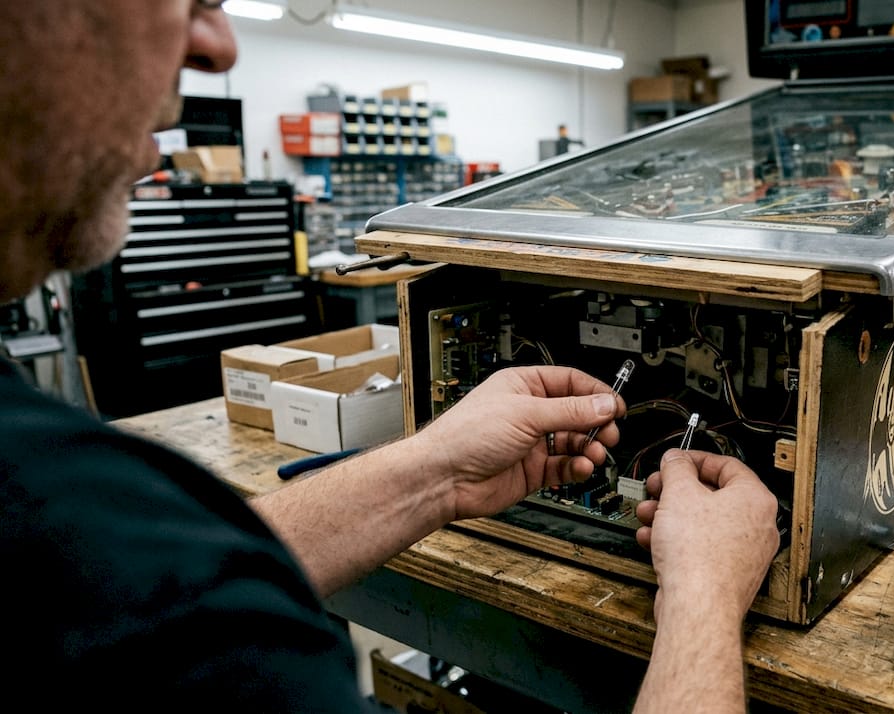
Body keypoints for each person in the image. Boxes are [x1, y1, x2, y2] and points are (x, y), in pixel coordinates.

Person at [0, 2, 781, 712]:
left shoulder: (69, 519)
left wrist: (437, 468)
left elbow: (160, 581)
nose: (218, 44)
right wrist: (707, 595)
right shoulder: (101, 555)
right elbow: (162, 600)